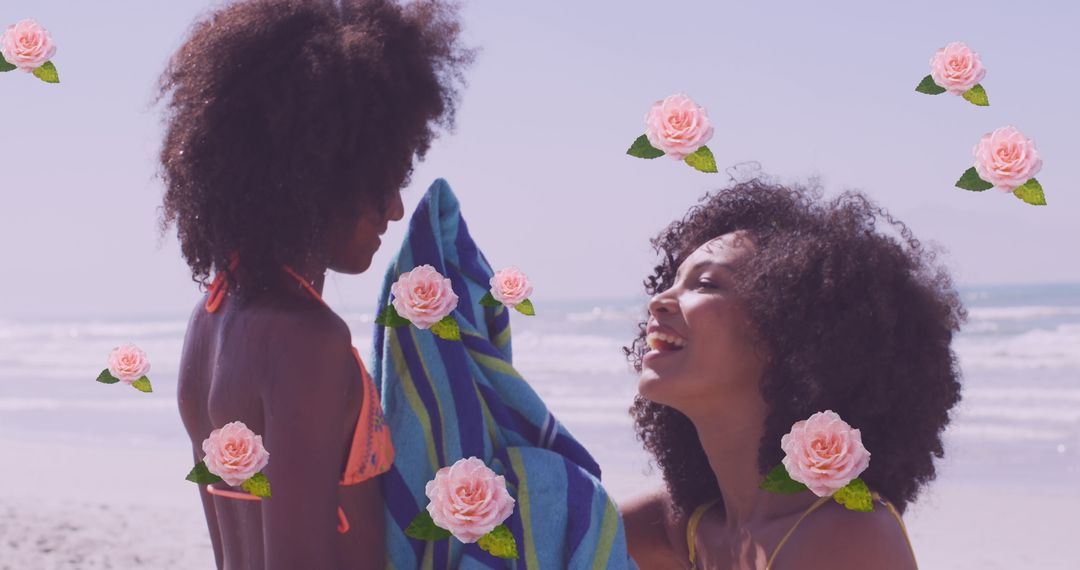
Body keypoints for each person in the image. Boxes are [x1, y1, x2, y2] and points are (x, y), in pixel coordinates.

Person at [157, 0, 471, 567]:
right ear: (318, 174)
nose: (396, 211)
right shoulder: (308, 340)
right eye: (382, 180)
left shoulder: (207, 320)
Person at [620, 178, 965, 569]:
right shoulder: (688, 527)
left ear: (786, 331)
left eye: (704, 284)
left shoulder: (847, 537)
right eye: (672, 281)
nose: (658, 301)